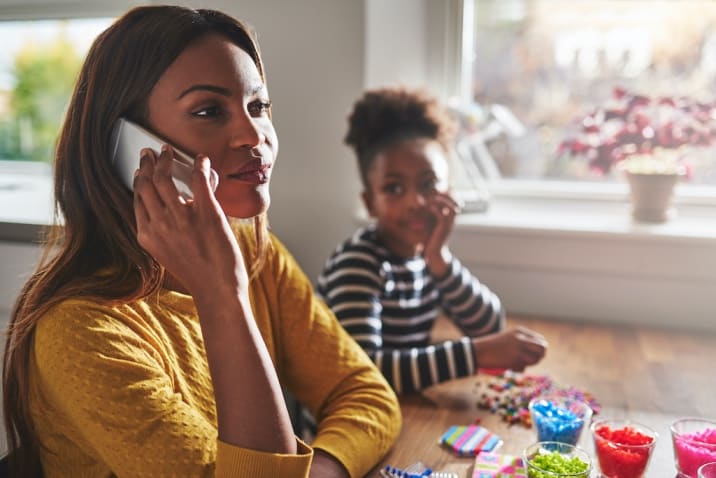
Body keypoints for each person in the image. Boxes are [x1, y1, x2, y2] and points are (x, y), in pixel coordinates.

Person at [1, 6, 400, 478]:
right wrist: (221, 295)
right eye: (209, 111)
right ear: (127, 145)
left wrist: (322, 471)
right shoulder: (81, 332)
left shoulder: (254, 250)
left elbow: (367, 394)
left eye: (259, 106)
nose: (255, 136)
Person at [317, 87, 548, 394]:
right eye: (394, 189)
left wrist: (440, 260)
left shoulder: (427, 258)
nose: (416, 202)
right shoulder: (358, 264)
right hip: (340, 425)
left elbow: (490, 327)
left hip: (404, 409)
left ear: (449, 190)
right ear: (370, 202)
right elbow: (365, 372)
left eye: (428, 184)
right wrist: (476, 354)